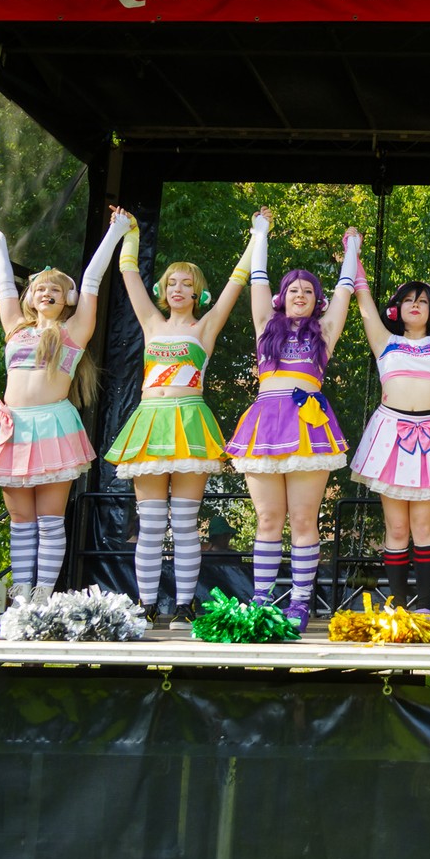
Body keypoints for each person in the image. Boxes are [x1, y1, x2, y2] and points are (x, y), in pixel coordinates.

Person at [103, 213, 252, 628]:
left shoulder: (205, 327)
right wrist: (131, 232)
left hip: (189, 423)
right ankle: (146, 605)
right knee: (150, 524)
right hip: (150, 422)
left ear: (197, 292)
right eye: (172, 282)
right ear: (163, 290)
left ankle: (185, 606)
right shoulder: (151, 322)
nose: (178, 289)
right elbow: (129, 274)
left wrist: (257, 236)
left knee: (185, 523)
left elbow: (236, 284)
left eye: (187, 283)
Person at [0, 209, 130, 607]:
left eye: (56, 290)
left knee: (49, 519)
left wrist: (116, 230)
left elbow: (93, 278)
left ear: (67, 300)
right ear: (31, 297)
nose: (47, 293)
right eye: (41, 288)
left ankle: (43, 596)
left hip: (53, 427)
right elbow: (4, 286)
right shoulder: (15, 326)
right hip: (12, 428)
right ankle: (20, 599)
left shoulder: (74, 331)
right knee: (20, 521)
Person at [223, 213, 360, 632]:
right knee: (267, 519)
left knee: (302, 520)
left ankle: (300, 603)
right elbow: (258, 278)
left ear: (317, 300)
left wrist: (352, 248)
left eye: (308, 290)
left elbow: (345, 290)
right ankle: (261, 602)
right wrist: (260, 233)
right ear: (281, 297)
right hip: (264, 424)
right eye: (293, 290)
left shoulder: (325, 331)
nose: (300, 295)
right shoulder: (265, 326)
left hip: (308, 426)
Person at [349, 221, 430, 614]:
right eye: (408, 300)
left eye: (422, 300)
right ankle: (399, 607)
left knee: (423, 527)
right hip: (390, 434)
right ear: (397, 309)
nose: (415, 305)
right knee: (397, 528)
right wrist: (353, 248)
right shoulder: (385, 341)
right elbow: (362, 295)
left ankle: (424, 609)